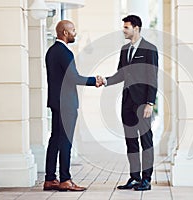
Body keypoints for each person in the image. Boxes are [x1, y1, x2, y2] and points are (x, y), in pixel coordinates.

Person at [43, 20, 103, 191]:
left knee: (55, 139)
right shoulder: (64, 53)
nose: (75, 33)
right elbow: (74, 78)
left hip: (56, 102)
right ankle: (65, 180)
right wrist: (94, 81)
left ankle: (49, 179)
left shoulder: (51, 51)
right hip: (66, 104)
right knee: (65, 140)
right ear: (65, 33)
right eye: (73, 30)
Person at [101, 15, 158, 191]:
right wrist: (105, 80)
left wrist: (150, 103)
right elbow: (121, 74)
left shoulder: (150, 49)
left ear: (136, 28)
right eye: (124, 27)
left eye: (126, 27)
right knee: (131, 141)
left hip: (143, 104)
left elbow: (153, 78)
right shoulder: (124, 49)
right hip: (127, 103)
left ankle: (146, 180)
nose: (123, 30)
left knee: (145, 141)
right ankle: (134, 178)